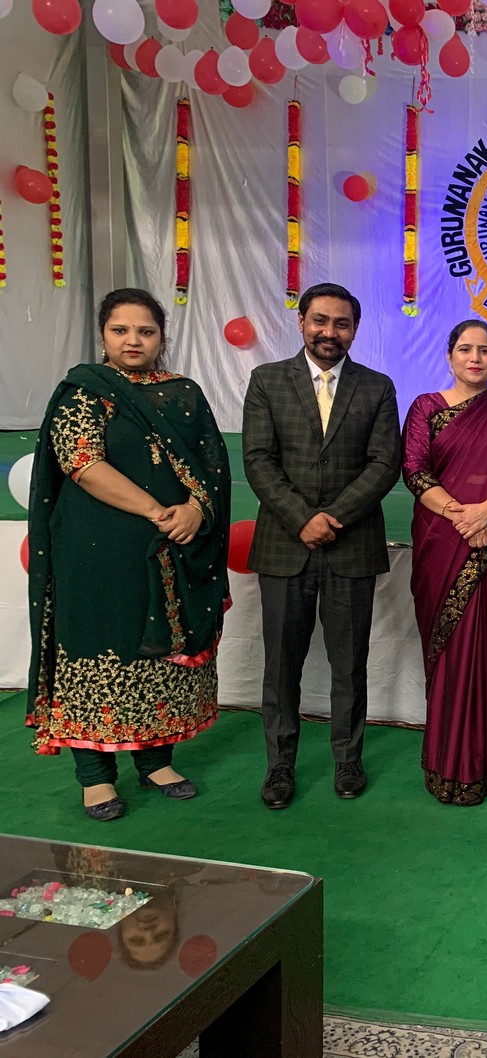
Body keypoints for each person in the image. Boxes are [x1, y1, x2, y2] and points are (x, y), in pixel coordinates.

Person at [27, 287, 230, 821]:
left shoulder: (184, 393)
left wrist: (196, 510)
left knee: (159, 651)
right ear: (103, 334)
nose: (133, 340)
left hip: (169, 552)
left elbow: (213, 467)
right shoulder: (83, 391)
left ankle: (156, 762)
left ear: (162, 337)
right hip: (95, 553)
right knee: (96, 647)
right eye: (121, 330)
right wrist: (160, 511)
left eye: (146, 331)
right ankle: (95, 777)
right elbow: (83, 464)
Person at [242, 282, 401, 809]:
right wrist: (302, 519)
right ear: (301, 322)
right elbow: (258, 459)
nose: (330, 332)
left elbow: (384, 464)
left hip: (352, 546)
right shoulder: (267, 380)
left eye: (341, 323)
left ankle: (348, 760)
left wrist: (332, 518)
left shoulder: (377, 387)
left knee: (349, 664)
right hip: (284, 545)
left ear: (354, 330)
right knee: (280, 667)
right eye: (320, 321)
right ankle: (279, 767)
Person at [402, 320, 487, 805]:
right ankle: (443, 764)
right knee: (448, 651)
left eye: (485, 350)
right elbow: (414, 470)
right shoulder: (425, 408)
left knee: (481, 651)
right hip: (442, 542)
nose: (475, 358)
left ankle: (475, 769)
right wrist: (464, 517)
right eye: (465, 349)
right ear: (450, 356)